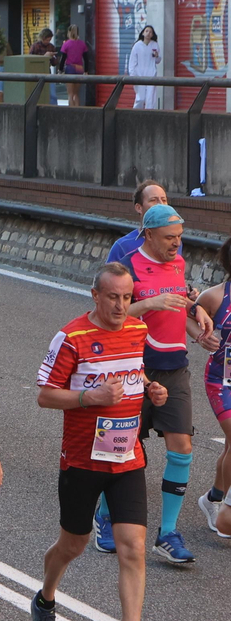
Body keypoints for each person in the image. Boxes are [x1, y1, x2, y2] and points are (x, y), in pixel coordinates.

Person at [31, 263, 171, 621]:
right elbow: (44, 396)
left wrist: (150, 388)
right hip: (82, 460)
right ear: (95, 295)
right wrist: (88, 397)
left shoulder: (136, 330)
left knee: (132, 546)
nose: (121, 306)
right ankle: (45, 599)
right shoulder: (72, 336)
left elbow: (134, 371)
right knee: (72, 545)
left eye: (127, 298)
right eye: (113, 297)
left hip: (127, 457)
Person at [110, 204, 219, 563]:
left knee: (182, 447)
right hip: (134, 366)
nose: (177, 243)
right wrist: (150, 302)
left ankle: (167, 532)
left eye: (180, 237)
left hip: (174, 367)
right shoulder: (128, 268)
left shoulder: (178, 263)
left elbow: (180, 301)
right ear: (148, 235)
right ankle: (104, 515)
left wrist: (196, 310)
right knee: (123, 447)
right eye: (170, 238)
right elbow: (115, 315)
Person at [193, 241, 231, 539]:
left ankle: (213, 499)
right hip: (222, 379)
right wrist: (200, 336)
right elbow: (186, 314)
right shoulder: (216, 296)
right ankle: (226, 510)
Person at [106, 179, 168, 264]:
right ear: (139, 208)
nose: (161, 204)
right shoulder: (123, 246)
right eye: (153, 200)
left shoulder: (174, 243)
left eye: (164, 200)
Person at [128, 25, 162, 110]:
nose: (148, 33)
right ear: (143, 33)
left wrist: (157, 56)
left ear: (152, 34)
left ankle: (149, 116)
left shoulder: (155, 45)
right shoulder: (137, 46)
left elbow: (158, 60)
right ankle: (135, 116)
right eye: (146, 31)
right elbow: (132, 62)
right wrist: (132, 75)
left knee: (150, 99)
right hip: (139, 75)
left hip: (151, 74)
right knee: (140, 98)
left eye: (150, 32)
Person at [58, 25, 89, 106]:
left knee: (70, 94)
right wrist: (86, 70)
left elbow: (63, 59)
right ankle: (78, 110)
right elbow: (86, 59)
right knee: (76, 94)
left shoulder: (66, 44)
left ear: (69, 33)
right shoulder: (82, 44)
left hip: (70, 68)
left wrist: (60, 70)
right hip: (79, 68)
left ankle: (71, 112)